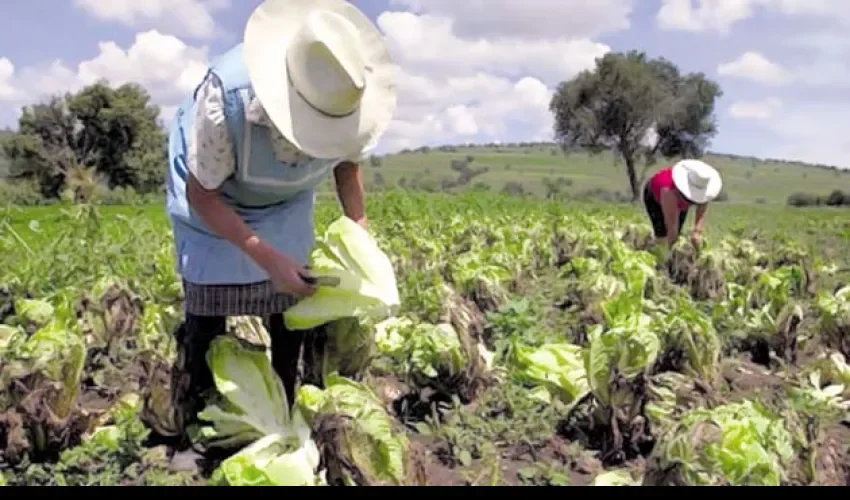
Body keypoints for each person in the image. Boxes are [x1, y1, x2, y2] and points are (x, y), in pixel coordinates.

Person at [162, 0, 397, 454]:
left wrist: (361, 232)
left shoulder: (347, 93)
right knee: (207, 307)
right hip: (214, 197)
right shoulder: (226, 96)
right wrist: (266, 257)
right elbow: (202, 197)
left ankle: (284, 404)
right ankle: (196, 422)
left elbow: (347, 170)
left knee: (291, 301)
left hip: (284, 201)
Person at [643, 159, 722, 248]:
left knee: (678, 232)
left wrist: (697, 231)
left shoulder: (702, 185)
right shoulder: (668, 190)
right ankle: (652, 249)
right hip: (654, 196)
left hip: (677, 199)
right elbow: (672, 226)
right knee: (662, 235)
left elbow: (702, 206)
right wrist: (674, 253)